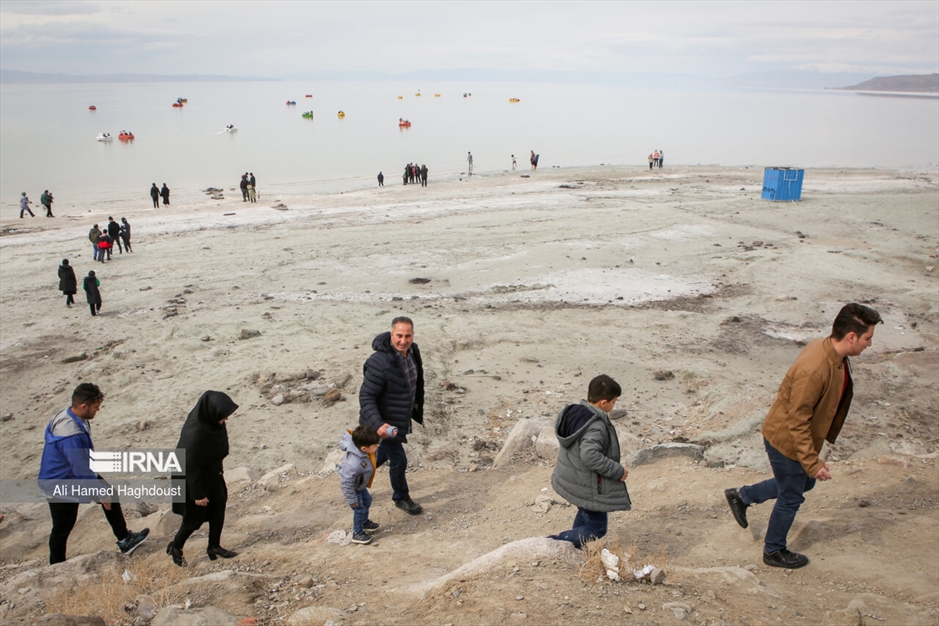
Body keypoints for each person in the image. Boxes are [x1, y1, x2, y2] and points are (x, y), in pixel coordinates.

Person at [724, 303, 883, 569]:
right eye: (868, 338)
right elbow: (797, 421)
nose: (870, 344)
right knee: (792, 495)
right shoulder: (816, 368)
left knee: (802, 484)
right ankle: (774, 550)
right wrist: (812, 462)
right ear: (851, 337)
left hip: (794, 438)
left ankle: (743, 496)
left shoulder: (831, 352)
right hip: (787, 442)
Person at [38, 383, 150, 564]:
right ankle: (56, 567)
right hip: (61, 482)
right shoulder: (71, 435)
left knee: (110, 495)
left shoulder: (67, 416)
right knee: (62, 528)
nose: (98, 410)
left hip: (71, 474)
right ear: (84, 406)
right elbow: (79, 468)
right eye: (96, 407)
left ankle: (125, 540)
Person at [549, 375, 631, 549]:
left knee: (586, 513)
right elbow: (589, 455)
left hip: (575, 479)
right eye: (614, 402)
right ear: (603, 402)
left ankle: (575, 548)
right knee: (597, 527)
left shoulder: (575, 413)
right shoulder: (595, 426)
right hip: (589, 486)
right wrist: (617, 471)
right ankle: (557, 543)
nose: (614, 405)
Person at [359, 317, 425, 515]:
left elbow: (415, 382)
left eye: (407, 336)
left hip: (397, 416)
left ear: (413, 336)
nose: (403, 341)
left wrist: (415, 408)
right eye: (399, 336)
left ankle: (354, 474)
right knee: (399, 460)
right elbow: (366, 397)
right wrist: (378, 424)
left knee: (379, 456)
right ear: (391, 335)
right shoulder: (379, 362)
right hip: (382, 422)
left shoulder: (413, 351)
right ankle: (401, 498)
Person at [168, 391, 240, 567]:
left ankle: (214, 546)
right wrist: (198, 494)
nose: (226, 419)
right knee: (193, 518)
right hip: (191, 480)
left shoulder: (212, 423)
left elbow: (217, 450)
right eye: (223, 415)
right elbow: (189, 466)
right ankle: (176, 547)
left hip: (212, 474)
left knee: (218, 508)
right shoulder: (195, 434)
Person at [339, 425, 382, 545]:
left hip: (360, 487)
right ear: (364, 448)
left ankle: (364, 523)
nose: (378, 446)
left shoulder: (364, 450)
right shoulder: (353, 464)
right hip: (354, 490)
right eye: (375, 445)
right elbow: (346, 483)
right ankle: (357, 533)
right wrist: (352, 500)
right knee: (359, 509)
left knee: (367, 501)